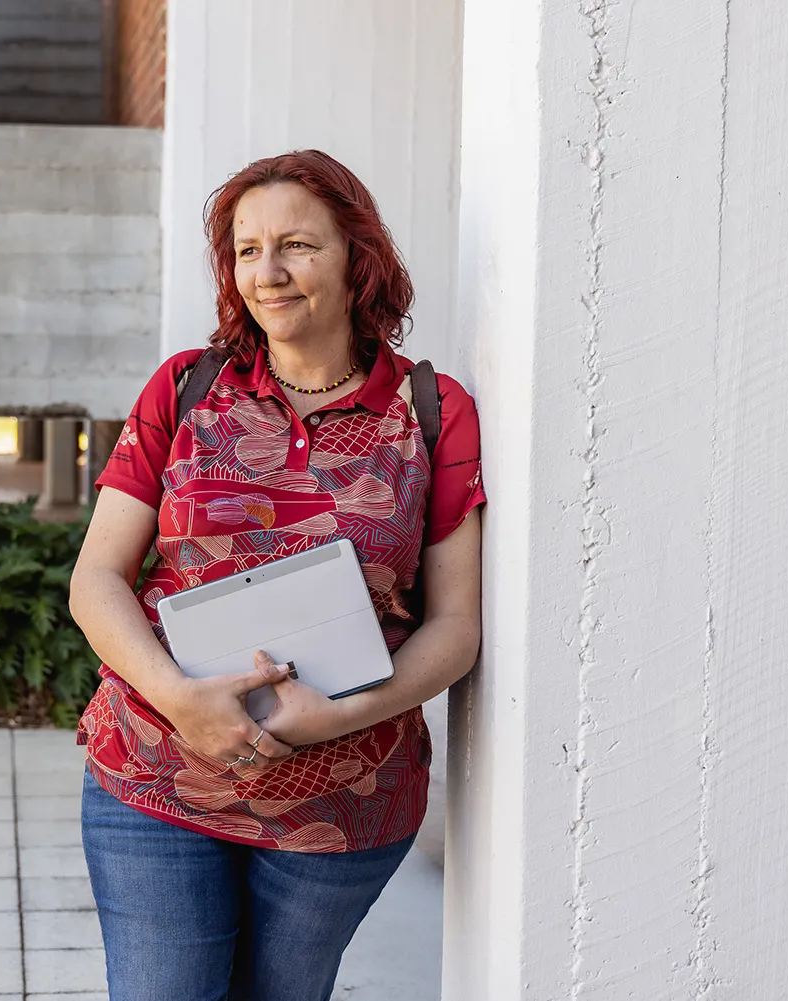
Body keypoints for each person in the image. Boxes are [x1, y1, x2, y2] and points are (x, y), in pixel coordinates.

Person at [68, 149, 485, 1001]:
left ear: (356, 257)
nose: (269, 272)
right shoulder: (187, 386)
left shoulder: (432, 412)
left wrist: (337, 715)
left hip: (340, 808)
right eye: (247, 249)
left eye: (297, 245)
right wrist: (180, 697)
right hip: (156, 773)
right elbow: (97, 579)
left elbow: (455, 626)